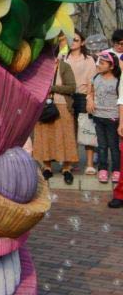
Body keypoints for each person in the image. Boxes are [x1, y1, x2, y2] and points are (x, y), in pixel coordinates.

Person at [32, 55, 78, 183]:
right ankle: (47, 167)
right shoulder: (39, 67)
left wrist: (52, 88)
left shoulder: (64, 66)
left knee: (65, 137)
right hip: (44, 107)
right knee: (44, 136)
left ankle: (66, 168)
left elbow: (72, 87)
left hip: (63, 106)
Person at [65, 31, 99, 174]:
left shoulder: (89, 59)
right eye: (70, 39)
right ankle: (72, 162)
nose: (72, 42)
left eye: (76, 40)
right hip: (66, 96)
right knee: (69, 130)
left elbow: (92, 81)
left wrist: (90, 98)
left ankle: (90, 164)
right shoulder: (63, 58)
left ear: (83, 42)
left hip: (83, 96)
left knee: (87, 130)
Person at [89, 52, 121, 184]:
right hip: (98, 116)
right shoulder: (96, 77)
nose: (99, 65)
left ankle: (116, 170)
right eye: (99, 62)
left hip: (112, 118)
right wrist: (89, 100)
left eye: (102, 63)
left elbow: (120, 101)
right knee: (101, 145)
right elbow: (90, 92)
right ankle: (103, 169)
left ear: (111, 66)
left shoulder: (118, 81)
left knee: (113, 146)